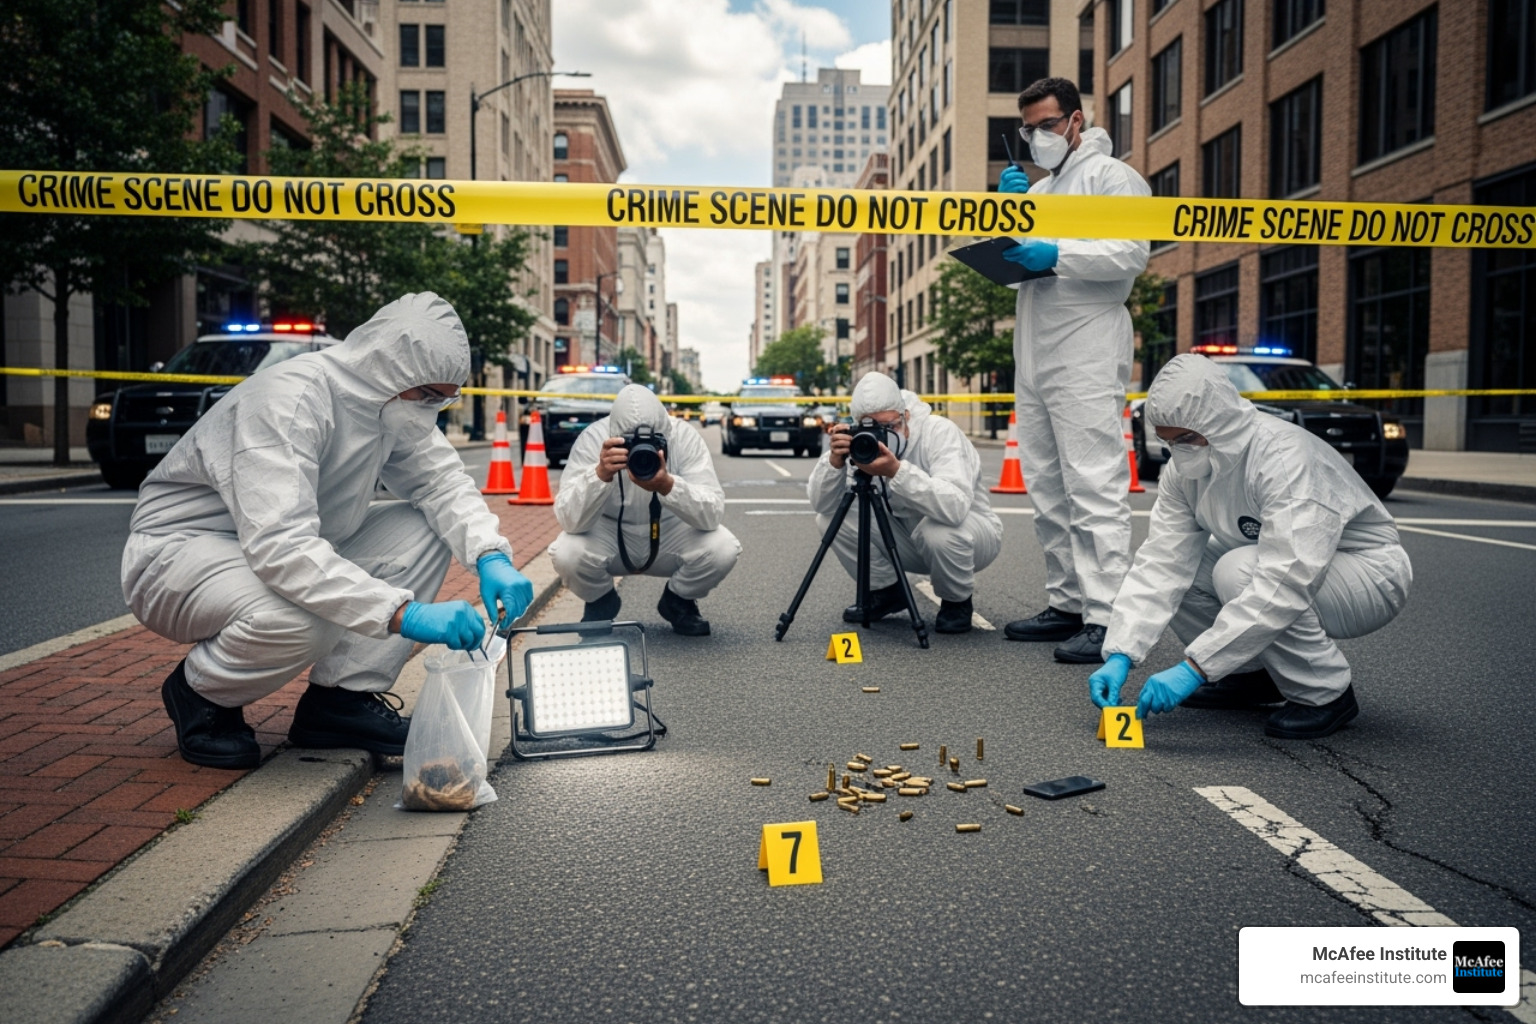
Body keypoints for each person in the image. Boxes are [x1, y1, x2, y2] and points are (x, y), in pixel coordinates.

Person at [122, 293, 535, 770]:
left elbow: (441, 482)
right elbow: (282, 548)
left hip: (275, 547)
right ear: (391, 371)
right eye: (429, 396)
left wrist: (490, 556)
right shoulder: (289, 402)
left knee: (423, 524)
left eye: (446, 398)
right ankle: (202, 692)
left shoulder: (389, 404)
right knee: (303, 618)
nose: (434, 409)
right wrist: (405, 613)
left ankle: (339, 701)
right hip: (180, 555)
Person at [1087, 354, 1412, 739]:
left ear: (1218, 421)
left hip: (1369, 574)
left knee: (1238, 570)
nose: (1179, 451)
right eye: (1168, 440)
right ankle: (1249, 677)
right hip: (1277, 562)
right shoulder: (1182, 472)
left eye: (1187, 438)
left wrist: (1195, 667)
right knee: (1194, 567)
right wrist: (1121, 651)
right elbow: (1162, 560)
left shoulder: (1283, 458)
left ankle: (1324, 692)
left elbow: (1286, 578)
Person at [995, 76, 1151, 664]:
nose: (1038, 137)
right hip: (1036, 347)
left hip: (1086, 341)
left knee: (1093, 482)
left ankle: (1107, 618)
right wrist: (1012, 212)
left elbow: (1131, 254)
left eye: (1047, 124)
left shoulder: (1114, 179)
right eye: (1028, 129)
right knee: (1046, 483)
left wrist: (1055, 253)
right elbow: (1015, 261)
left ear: (1077, 120)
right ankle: (1067, 602)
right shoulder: (1043, 190)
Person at [807, 372, 1004, 634]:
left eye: (889, 426)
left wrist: (897, 471)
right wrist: (834, 463)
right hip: (907, 539)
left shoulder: (939, 432)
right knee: (830, 518)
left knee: (936, 530)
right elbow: (822, 505)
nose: (881, 436)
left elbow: (955, 507)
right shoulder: (860, 444)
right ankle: (886, 592)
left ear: (906, 416)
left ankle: (957, 602)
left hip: (969, 536)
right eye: (871, 428)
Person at [550, 384, 739, 635]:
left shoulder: (684, 437)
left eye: (652, 441)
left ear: (665, 432)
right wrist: (599, 475)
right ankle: (599, 600)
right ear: (615, 433)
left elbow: (712, 514)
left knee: (723, 547)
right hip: (608, 533)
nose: (641, 449)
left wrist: (668, 485)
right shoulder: (593, 439)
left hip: (669, 530)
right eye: (630, 442)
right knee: (565, 552)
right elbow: (569, 521)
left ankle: (678, 600)